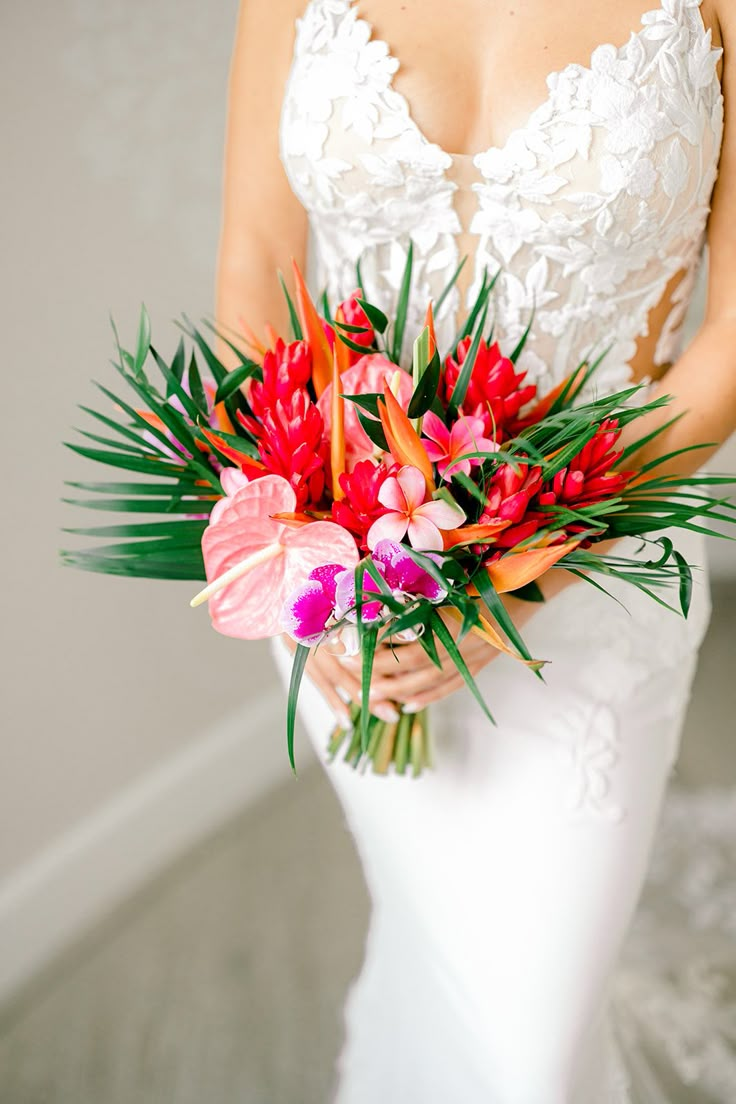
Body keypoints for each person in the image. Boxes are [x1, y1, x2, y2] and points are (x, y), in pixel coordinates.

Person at [215, 1, 736, 1099]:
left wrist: (526, 571)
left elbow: (730, 339)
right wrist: (313, 555)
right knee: (431, 939)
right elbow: (259, 261)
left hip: (596, 576)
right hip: (345, 580)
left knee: (528, 1055)